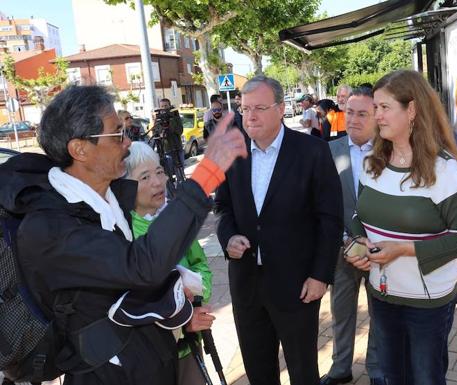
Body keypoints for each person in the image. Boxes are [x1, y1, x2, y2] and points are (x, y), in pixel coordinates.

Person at [0, 85, 246, 385]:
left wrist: (177, 313)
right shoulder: (51, 228)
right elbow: (141, 266)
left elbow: (124, 296)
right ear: (80, 149)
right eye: (117, 134)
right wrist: (207, 174)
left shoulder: (108, 197)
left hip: (151, 362)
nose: (128, 142)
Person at [345, 70, 457, 385]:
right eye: (375, 108)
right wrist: (356, 243)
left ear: (413, 110)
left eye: (384, 107)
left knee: (426, 379)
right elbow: (357, 215)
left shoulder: (445, 172)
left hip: (428, 304)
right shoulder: (371, 164)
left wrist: (404, 249)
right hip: (382, 295)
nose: (376, 116)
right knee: (393, 377)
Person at [214, 76, 343, 385]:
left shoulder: (312, 151)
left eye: (259, 107)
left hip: (297, 285)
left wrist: (320, 275)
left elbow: (330, 218)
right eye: (245, 109)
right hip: (246, 285)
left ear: (281, 109)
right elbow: (223, 208)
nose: (251, 116)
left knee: (302, 372)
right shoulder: (232, 151)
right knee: (258, 371)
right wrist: (228, 237)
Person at [124, 141, 215, 385]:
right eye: (145, 177)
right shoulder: (123, 233)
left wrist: (197, 295)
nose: (157, 182)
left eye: (159, 172)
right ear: (126, 185)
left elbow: (200, 264)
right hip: (150, 358)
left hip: (189, 350)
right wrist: (185, 319)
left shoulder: (173, 219)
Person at [321, 87, 383, 385]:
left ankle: (377, 369)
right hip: (341, 248)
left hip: (381, 252)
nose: (354, 120)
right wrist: (346, 239)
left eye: (362, 114)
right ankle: (340, 368)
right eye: (350, 113)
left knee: (380, 314)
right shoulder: (328, 151)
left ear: (376, 116)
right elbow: (322, 204)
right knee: (341, 313)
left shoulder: (391, 152)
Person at [153, 98, 185, 168]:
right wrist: (160, 132)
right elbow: (155, 132)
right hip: (166, 150)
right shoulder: (158, 119)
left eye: (166, 106)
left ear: (169, 106)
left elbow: (180, 131)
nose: (164, 108)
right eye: (162, 106)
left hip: (177, 148)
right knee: (168, 171)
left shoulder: (175, 116)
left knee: (180, 169)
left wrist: (171, 119)